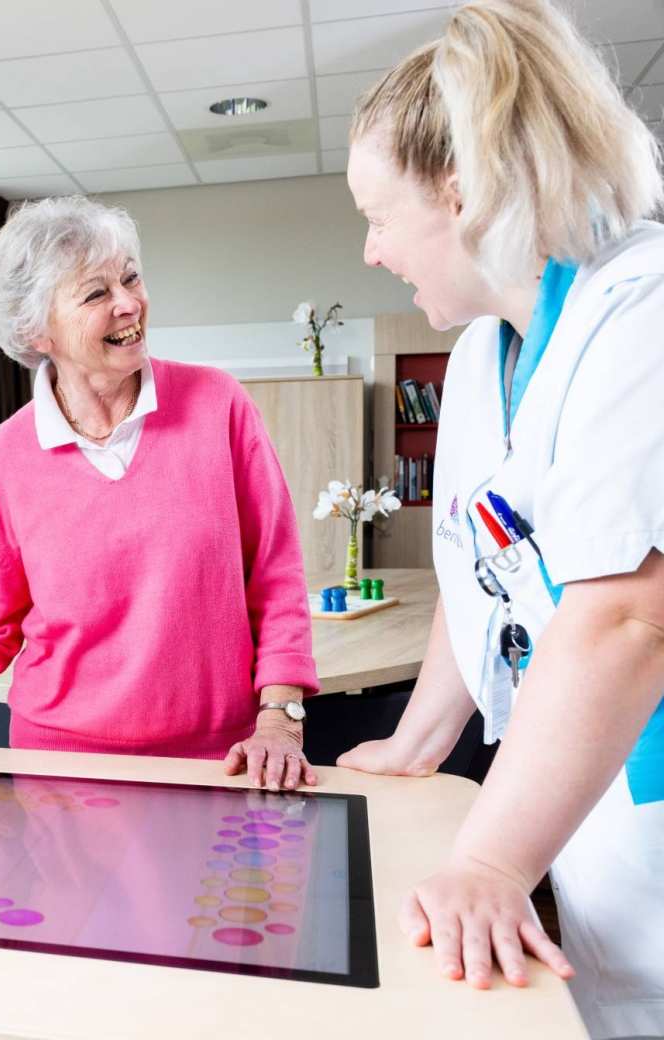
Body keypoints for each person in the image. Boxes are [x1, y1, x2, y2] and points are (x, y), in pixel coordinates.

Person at [339, 1, 664, 1035]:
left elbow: (625, 615)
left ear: (461, 188)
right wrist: (417, 738)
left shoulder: (641, 312)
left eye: (379, 215)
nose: (371, 250)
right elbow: (484, 567)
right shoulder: (485, 349)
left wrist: (489, 857)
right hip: (571, 783)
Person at [0, 196, 321, 792]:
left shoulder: (218, 404)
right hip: (58, 768)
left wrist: (281, 719)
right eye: (95, 293)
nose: (128, 303)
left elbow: (276, 574)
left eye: (130, 277)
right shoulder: (7, 454)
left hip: (216, 758)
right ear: (35, 329)